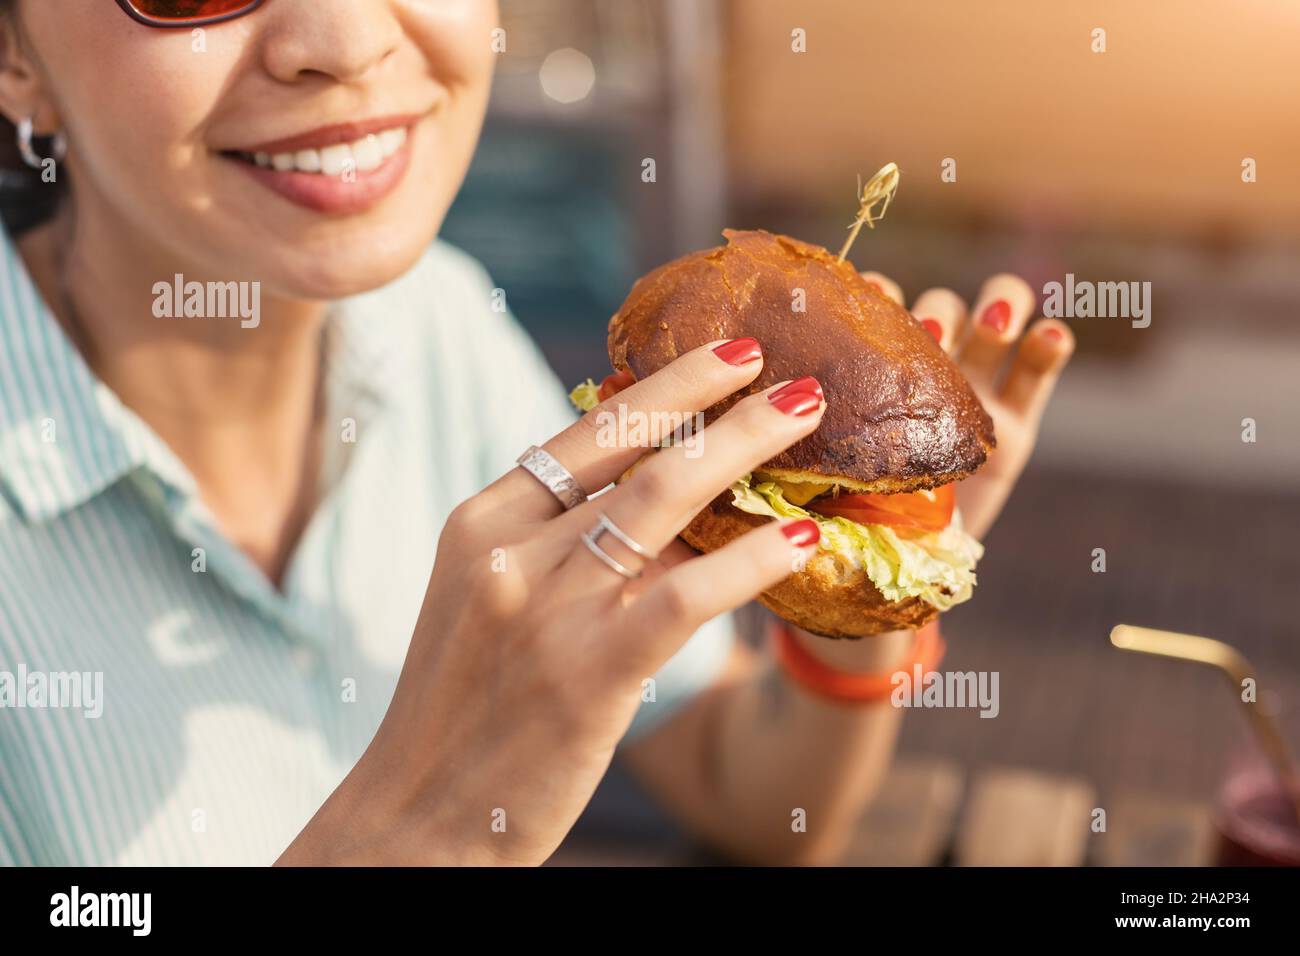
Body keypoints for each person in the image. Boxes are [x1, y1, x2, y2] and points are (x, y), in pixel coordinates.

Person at [0, 0, 1073, 866]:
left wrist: (868, 572)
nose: (347, 37)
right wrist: (429, 832)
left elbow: (752, 793)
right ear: (15, 56)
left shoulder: (435, 322)